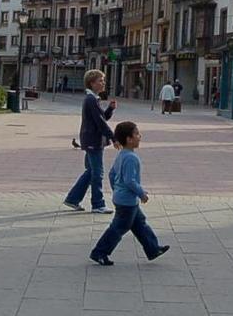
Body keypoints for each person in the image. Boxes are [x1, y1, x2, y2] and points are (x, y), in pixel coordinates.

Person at [89, 121, 170, 266]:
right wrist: (141, 194)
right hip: (127, 201)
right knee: (118, 228)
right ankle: (100, 252)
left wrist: (117, 191)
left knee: (140, 224)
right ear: (129, 139)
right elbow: (130, 181)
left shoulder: (122, 154)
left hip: (123, 199)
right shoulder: (131, 158)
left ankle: (153, 249)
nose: (140, 136)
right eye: (137, 134)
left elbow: (112, 174)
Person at [64, 69, 117, 214]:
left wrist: (110, 110)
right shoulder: (91, 100)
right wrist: (113, 137)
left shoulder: (94, 99)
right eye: (100, 80)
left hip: (91, 139)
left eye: (103, 80)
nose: (103, 83)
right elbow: (100, 123)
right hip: (93, 140)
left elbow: (100, 119)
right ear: (92, 83)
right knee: (97, 173)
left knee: (90, 171)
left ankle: (73, 198)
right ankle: (98, 204)